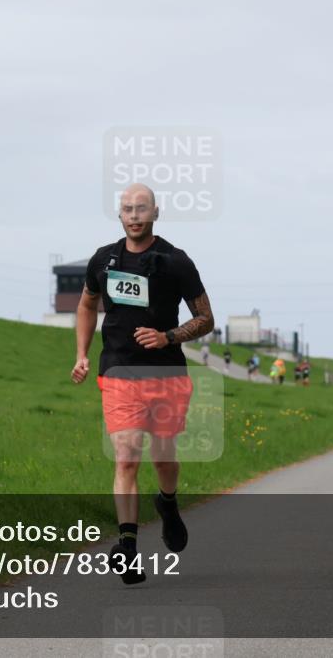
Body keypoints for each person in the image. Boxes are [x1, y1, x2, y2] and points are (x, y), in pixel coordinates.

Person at [71, 183, 214, 585]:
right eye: (127, 209)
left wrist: (168, 336)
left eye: (141, 209)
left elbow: (206, 318)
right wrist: (81, 354)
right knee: (127, 456)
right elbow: (86, 303)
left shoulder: (175, 261)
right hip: (118, 371)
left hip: (167, 373)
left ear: (155, 213)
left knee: (164, 459)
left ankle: (167, 503)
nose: (134, 215)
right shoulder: (103, 260)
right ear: (120, 215)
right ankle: (128, 548)